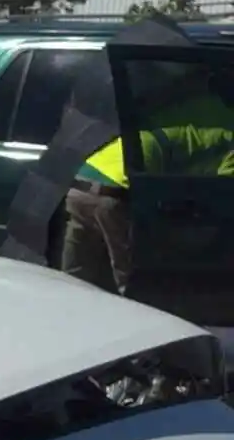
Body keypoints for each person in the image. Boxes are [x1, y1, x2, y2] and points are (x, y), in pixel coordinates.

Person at [60, 70, 234, 293]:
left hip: (81, 185)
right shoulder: (227, 142)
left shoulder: (186, 121)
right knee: (129, 276)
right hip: (115, 193)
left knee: (75, 276)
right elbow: (222, 190)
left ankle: (66, 315)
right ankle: (136, 322)